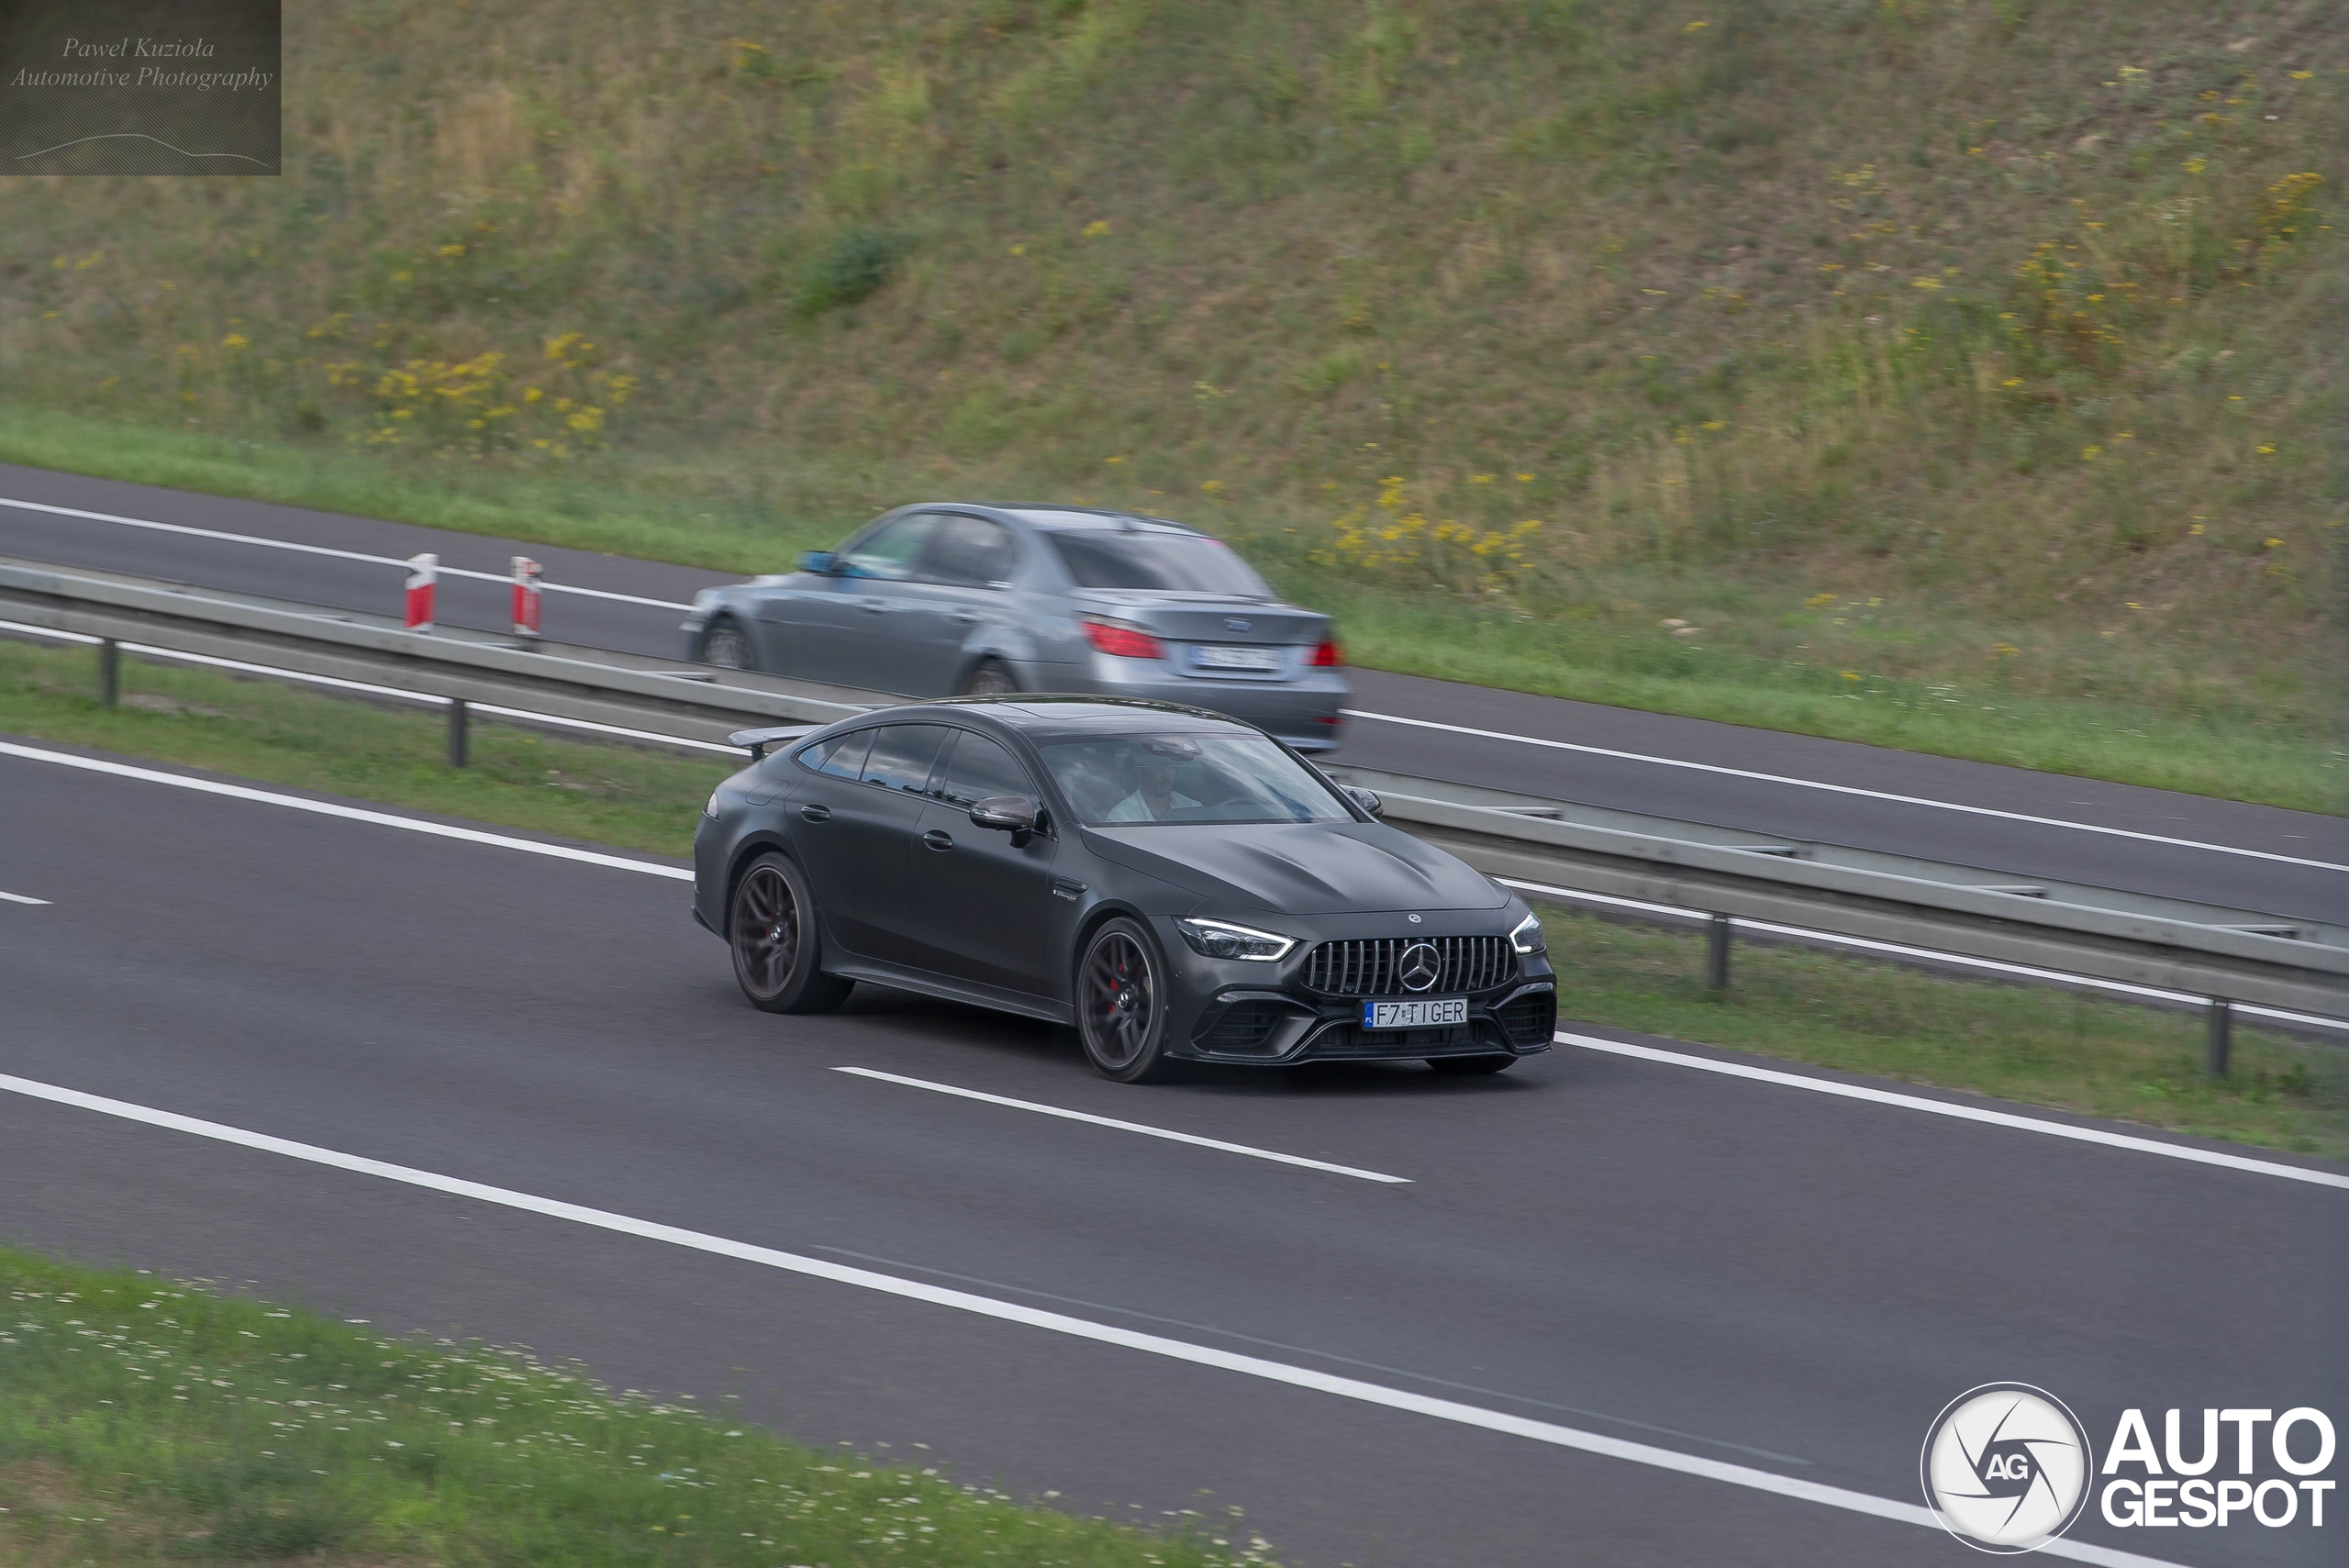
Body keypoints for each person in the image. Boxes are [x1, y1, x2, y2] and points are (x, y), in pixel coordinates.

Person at [1104, 751, 1200, 821]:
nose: (1166, 775)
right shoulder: (1122, 816)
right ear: (1140, 772)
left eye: (1171, 768)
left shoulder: (1193, 807)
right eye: (1159, 768)